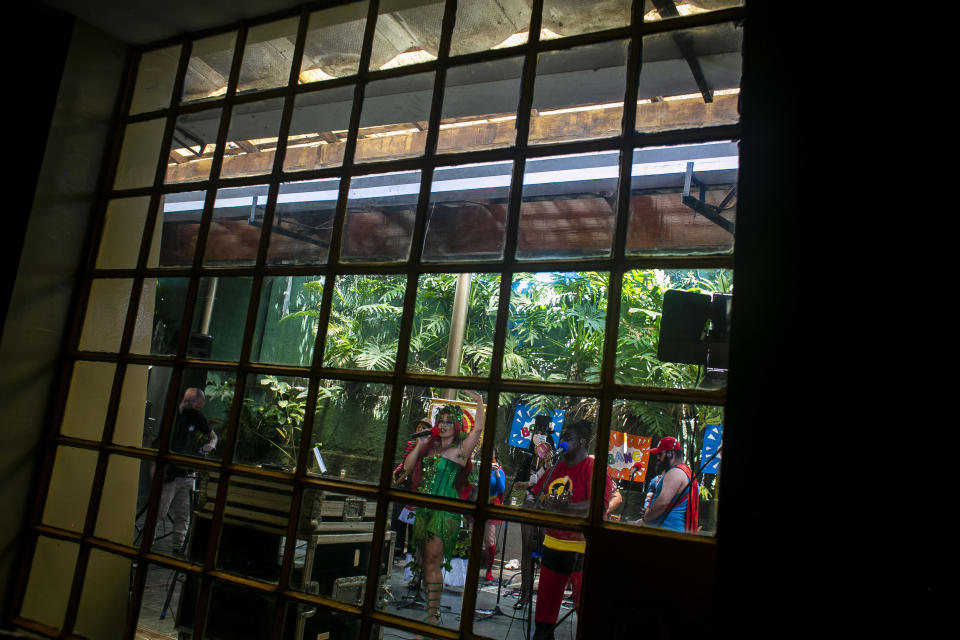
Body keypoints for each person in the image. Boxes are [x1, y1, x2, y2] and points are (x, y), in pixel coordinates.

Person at [525, 420, 619, 640]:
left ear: (582, 442)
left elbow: (598, 505)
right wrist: (531, 500)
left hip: (581, 550)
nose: (562, 442)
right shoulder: (556, 467)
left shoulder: (592, 467)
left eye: (568, 438)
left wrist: (562, 507)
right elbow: (535, 494)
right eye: (562, 438)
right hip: (552, 546)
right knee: (544, 619)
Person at [401, 390, 486, 628]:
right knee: (425, 560)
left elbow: (477, 430)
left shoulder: (459, 452)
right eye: (442, 421)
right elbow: (406, 469)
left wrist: (478, 401)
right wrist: (419, 445)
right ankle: (432, 613)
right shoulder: (428, 447)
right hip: (424, 510)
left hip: (444, 510)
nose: (445, 424)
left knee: (432, 562)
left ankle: (431, 617)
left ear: (457, 425)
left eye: (450, 421)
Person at [156, 387, 217, 554]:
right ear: (188, 401)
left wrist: (211, 445)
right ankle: (148, 543)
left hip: (187, 473)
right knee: (160, 511)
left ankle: (178, 548)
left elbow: (213, 436)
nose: (199, 410)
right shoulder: (171, 416)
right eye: (197, 406)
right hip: (171, 472)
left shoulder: (196, 417)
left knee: (183, 515)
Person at [640, 436, 699, 532]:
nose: (657, 458)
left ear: (670, 454)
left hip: (666, 530)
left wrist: (646, 517)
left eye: (660, 454)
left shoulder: (675, 473)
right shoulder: (687, 472)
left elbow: (662, 503)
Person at [482, 447, 506, 582]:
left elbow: (501, 489)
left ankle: (489, 570)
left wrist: (496, 473)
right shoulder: (477, 466)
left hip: (490, 505)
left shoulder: (498, 470)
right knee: (471, 537)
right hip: (475, 502)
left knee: (489, 540)